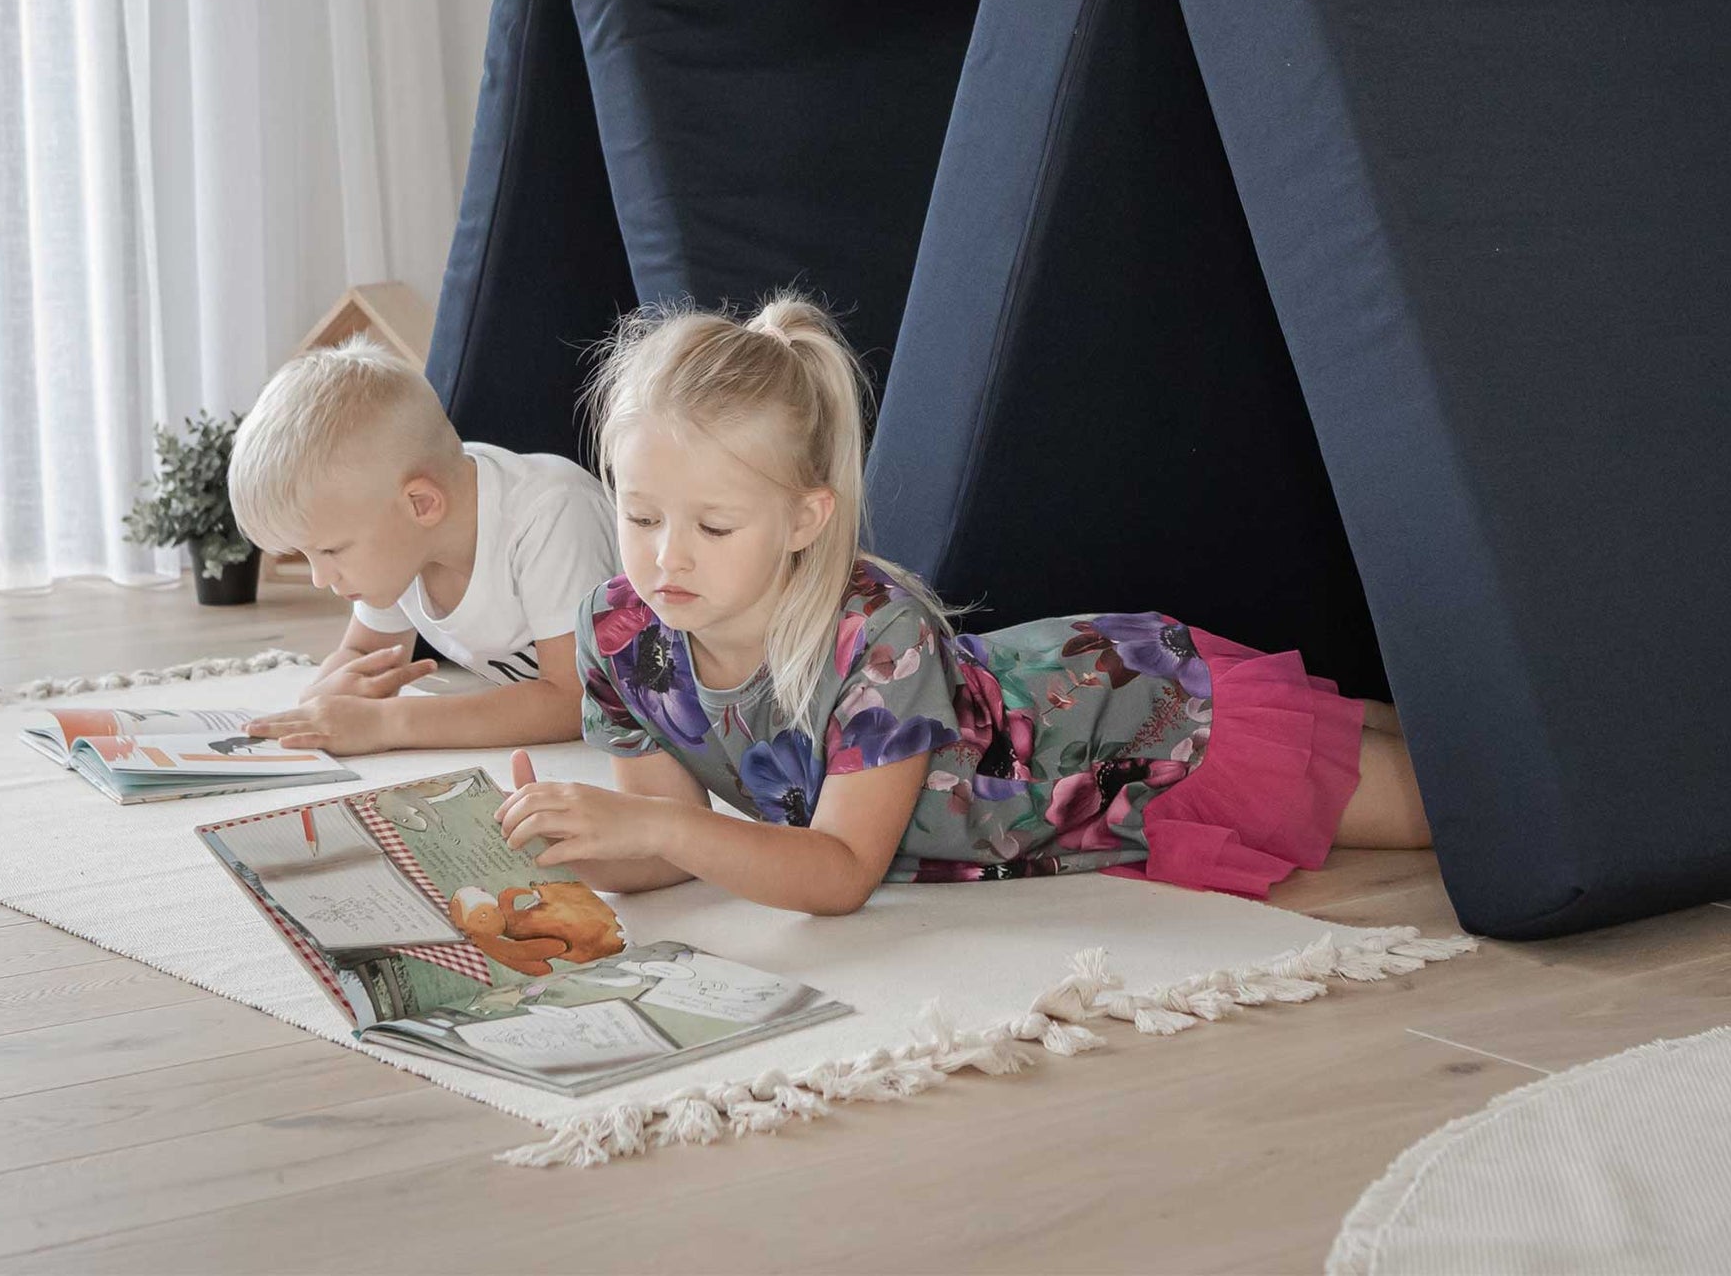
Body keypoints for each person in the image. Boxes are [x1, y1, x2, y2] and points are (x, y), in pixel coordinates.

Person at [495, 296, 1429, 913]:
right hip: (1062, 744)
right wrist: (578, 841)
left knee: (1456, 798)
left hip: (1129, 726)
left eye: (713, 525)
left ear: (803, 520)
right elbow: (667, 848)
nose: (665, 557)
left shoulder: (877, 634)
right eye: (641, 513)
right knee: (1415, 752)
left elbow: (840, 870)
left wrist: (657, 826)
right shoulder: (621, 635)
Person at [227, 336, 617, 755]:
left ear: (422, 504)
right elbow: (364, 653)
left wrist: (386, 723)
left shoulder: (550, 515)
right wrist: (326, 696)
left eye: (332, 551)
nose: (320, 578)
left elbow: (573, 700)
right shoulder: (401, 538)